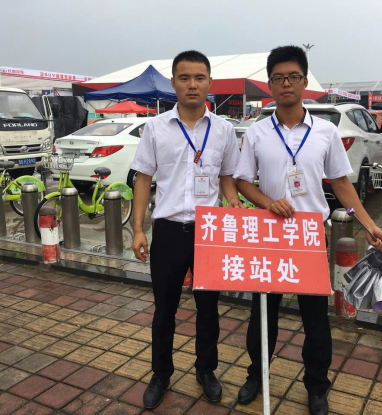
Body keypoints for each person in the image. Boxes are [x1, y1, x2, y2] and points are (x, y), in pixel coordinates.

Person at [233, 46, 382, 415]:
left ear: (304, 81)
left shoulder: (325, 132)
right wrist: (268, 202)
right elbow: (242, 181)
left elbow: (342, 183)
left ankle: (317, 386)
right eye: (278, 78)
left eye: (293, 77)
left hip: (309, 236)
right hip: (270, 235)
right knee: (262, 314)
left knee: (315, 319)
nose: (286, 83)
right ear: (270, 85)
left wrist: (368, 224)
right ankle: (257, 376)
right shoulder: (257, 133)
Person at [131, 50, 242, 409]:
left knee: (209, 308)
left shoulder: (224, 130)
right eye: (184, 78)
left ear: (209, 82)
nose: (192, 84)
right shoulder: (155, 128)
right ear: (174, 83)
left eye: (199, 78)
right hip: (167, 230)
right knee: (164, 309)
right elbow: (143, 179)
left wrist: (234, 205)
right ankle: (161, 373)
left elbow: (228, 177)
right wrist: (138, 229)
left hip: (209, 232)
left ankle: (206, 370)